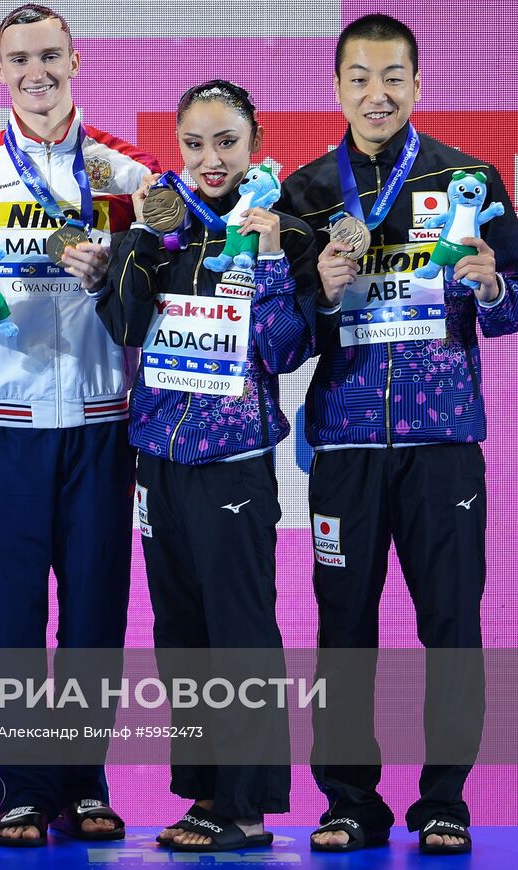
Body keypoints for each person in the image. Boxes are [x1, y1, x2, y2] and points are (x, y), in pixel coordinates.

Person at [278, 13, 518, 856]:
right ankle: (350, 801)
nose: (376, 93)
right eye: (359, 77)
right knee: (343, 627)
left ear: (417, 85)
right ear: (337, 87)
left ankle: (445, 802)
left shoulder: (470, 178)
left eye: (392, 77)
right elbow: (281, 333)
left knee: (451, 624)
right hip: (345, 446)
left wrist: (494, 286)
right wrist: (319, 290)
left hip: (443, 443)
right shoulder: (308, 191)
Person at [0, 3, 157, 847]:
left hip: (105, 420)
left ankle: (85, 777)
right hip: (6, 421)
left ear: (77, 59)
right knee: (10, 613)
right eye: (19, 59)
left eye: (51, 56)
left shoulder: (131, 176)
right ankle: (22, 790)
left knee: (97, 612)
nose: (37, 72)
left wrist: (115, 273)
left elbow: (158, 296)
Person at [97, 80, 316, 853]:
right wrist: (143, 242)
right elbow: (121, 320)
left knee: (241, 629)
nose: (209, 159)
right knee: (181, 633)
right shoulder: (163, 219)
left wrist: (264, 259)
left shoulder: (281, 228)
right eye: (194, 143)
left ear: (254, 141)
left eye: (225, 142)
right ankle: (205, 795)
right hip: (158, 456)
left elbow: (288, 347)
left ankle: (249, 805)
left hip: (234, 463)